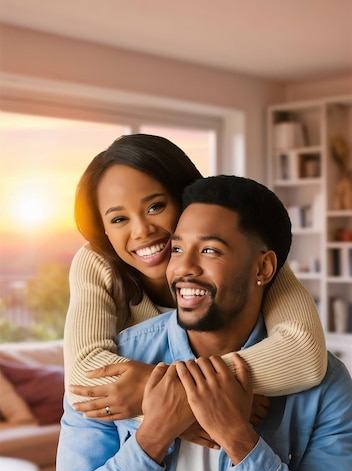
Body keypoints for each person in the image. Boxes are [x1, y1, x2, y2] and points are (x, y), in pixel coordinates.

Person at [6, 175, 352, 471]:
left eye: (209, 250)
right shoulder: (110, 368)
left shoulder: (322, 381)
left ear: (264, 268)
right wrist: (150, 438)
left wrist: (239, 440)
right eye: (177, 249)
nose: (183, 268)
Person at [63, 134, 327, 426]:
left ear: (186, 198)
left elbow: (305, 354)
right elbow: (83, 379)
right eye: (118, 219)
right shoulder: (98, 260)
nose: (141, 231)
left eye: (155, 207)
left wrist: (167, 393)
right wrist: (194, 405)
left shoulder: (250, 260)